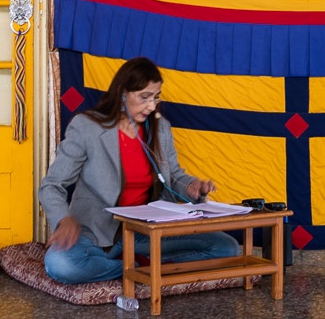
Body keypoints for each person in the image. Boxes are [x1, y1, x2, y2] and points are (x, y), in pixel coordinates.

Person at [39, 56, 240, 284]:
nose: (152, 106)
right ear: (122, 94)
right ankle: (137, 268)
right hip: (96, 232)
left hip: (146, 232)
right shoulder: (87, 127)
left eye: (156, 98)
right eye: (144, 97)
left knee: (226, 247)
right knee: (60, 264)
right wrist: (63, 220)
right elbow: (51, 186)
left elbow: (172, 177)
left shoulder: (160, 128)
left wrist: (193, 187)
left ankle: (136, 264)